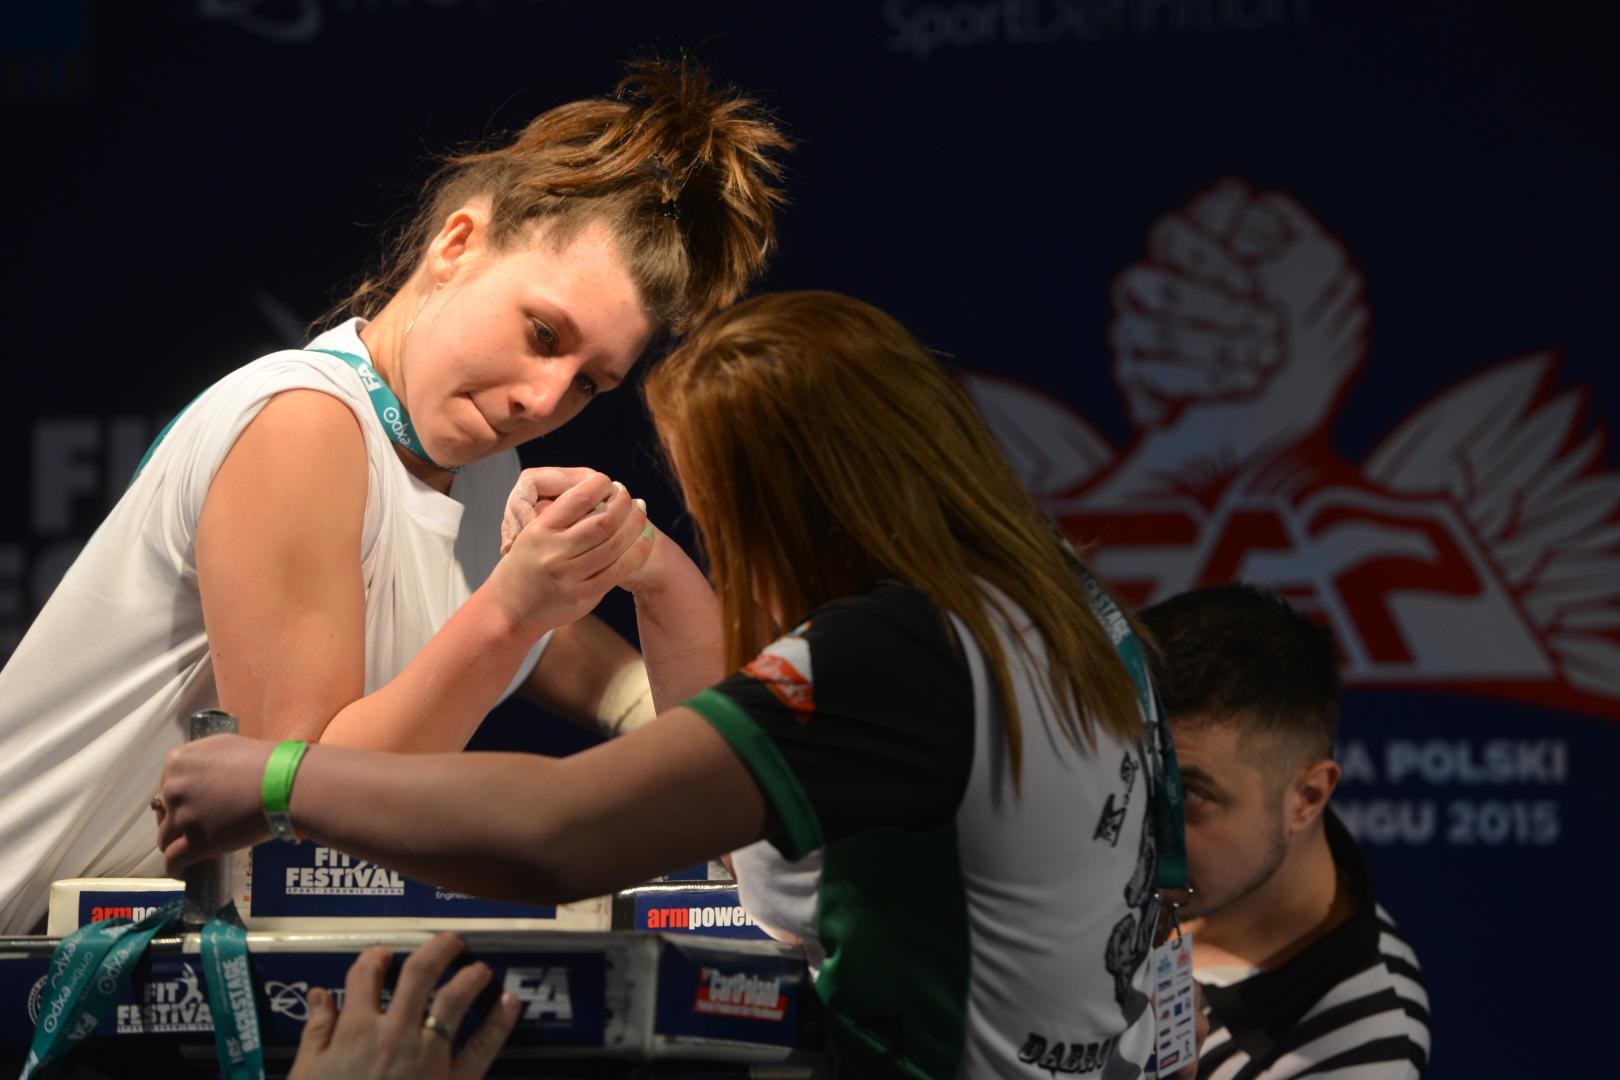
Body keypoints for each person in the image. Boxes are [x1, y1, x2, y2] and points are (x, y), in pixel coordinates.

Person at [158, 290, 1179, 1078]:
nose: (722, 542)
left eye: (713, 511)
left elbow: (564, 831)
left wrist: (280, 777)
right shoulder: (1065, 614)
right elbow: (723, 802)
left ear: (791, 503)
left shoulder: (895, 655)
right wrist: (647, 567)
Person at [0, 58, 789, 934]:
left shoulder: (480, 470)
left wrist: (642, 669)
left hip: (120, 965)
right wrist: (511, 612)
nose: (542, 400)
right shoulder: (302, 422)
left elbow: (514, 630)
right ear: (457, 245)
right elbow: (298, 809)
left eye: (587, 383)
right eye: (541, 333)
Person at [1138, 583, 1431, 1080]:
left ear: (1307, 798)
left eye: (1188, 795)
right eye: (1132, 775)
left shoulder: (1361, 1053)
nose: (1144, 833)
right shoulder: (1129, 858)